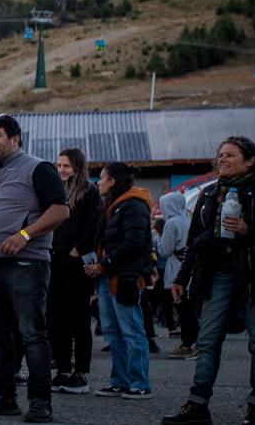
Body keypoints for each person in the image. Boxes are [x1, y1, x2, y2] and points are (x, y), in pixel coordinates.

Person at [0, 114, 69, 423]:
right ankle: (4, 397)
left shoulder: (39, 168)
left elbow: (60, 210)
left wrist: (24, 235)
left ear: (15, 139)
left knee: (32, 333)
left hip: (26, 263)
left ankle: (40, 402)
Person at [163, 136, 255, 425]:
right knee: (207, 340)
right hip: (217, 273)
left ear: (250, 160)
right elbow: (193, 242)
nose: (222, 159)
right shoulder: (208, 194)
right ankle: (197, 405)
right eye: (220, 155)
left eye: (230, 155)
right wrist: (181, 278)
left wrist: (248, 230)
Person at [83, 163, 153, 399]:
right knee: (113, 332)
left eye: (101, 178)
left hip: (125, 277)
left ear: (112, 181)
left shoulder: (134, 204)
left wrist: (104, 264)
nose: (98, 182)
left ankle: (140, 383)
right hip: (107, 277)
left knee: (132, 331)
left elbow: (134, 243)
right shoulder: (111, 205)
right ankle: (120, 381)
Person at [49, 147, 102, 394]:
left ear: (78, 167)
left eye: (66, 166)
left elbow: (94, 225)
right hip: (54, 261)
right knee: (56, 318)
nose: (61, 170)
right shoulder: (54, 191)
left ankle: (81, 372)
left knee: (80, 318)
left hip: (77, 263)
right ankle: (62, 369)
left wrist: (77, 250)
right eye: (59, 165)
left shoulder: (90, 192)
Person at [157, 190, 196, 360]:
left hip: (175, 269)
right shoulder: (187, 219)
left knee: (182, 308)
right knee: (188, 308)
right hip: (189, 267)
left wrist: (157, 241)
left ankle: (188, 344)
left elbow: (165, 250)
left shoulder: (171, 223)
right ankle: (193, 342)